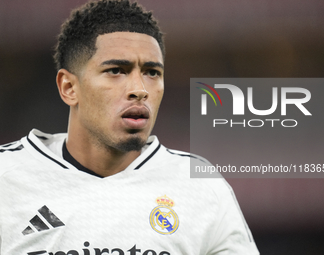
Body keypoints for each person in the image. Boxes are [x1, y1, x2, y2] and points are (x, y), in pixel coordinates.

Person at [0, 0, 259, 254]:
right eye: (116, 70)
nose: (139, 90)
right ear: (69, 88)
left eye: (152, 72)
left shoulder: (199, 185)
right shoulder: (7, 178)